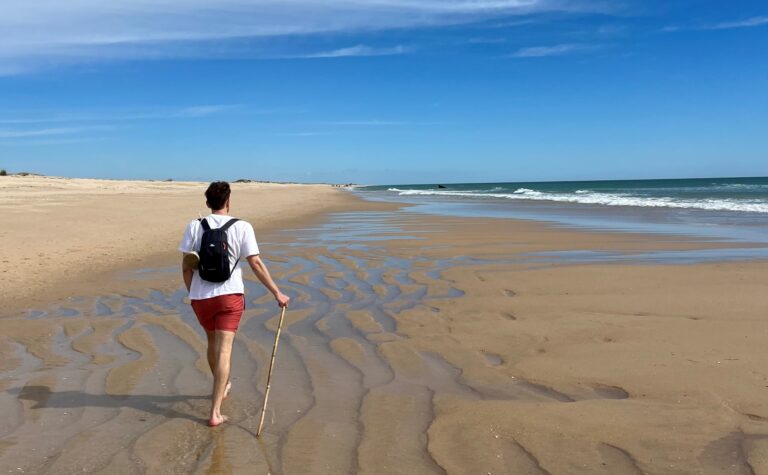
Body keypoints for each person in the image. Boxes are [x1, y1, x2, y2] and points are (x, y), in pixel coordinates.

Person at [179, 181, 290, 427]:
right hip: (230, 297)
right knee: (225, 351)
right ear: (229, 202)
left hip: (201, 298)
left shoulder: (194, 226)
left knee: (211, 344)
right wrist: (277, 293)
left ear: (207, 203)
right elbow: (256, 263)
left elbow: (186, 267)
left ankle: (222, 385)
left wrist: (194, 293)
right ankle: (215, 412)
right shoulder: (242, 227)